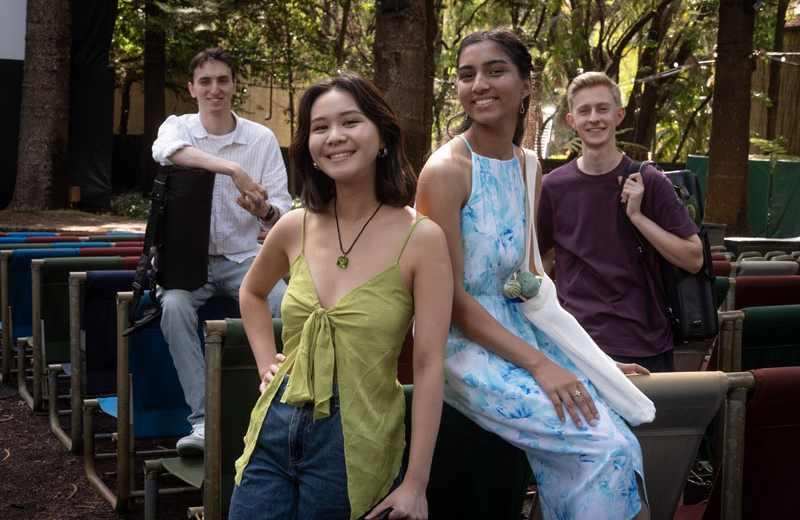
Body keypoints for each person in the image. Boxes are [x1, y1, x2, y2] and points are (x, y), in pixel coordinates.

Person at [416, 29, 650, 519]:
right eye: (466, 75)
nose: (478, 84)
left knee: (623, 445)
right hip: (462, 345)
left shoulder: (529, 166)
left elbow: (529, 284)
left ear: (526, 85)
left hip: (519, 334)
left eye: (495, 70)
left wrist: (591, 361)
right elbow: (450, 300)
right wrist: (542, 366)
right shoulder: (446, 170)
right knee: (602, 449)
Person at [228, 72, 452, 520]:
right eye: (320, 127)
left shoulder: (422, 240)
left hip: (356, 443)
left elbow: (428, 367)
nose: (335, 137)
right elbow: (251, 292)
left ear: (383, 137)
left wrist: (415, 484)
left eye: (350, 122)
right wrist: (265, 362)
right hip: (273, 432)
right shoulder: (294, 225)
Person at [151, 47, 292, 456]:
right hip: (185, 261)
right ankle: (203, 420)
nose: (215, 89)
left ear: (234, 86)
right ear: (193, 88)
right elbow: (166, 153)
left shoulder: (261, 138)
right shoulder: (178, 127)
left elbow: (280, 214)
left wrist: (262, 209)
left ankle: (277, 409)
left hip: (245, 258)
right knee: (174, 308)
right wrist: (232, 169)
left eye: (223, 80)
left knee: (291, 306)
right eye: (206, 81)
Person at [537, 71, 703, 372]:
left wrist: (638, 217)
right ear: (572, 120)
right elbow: (540, 261)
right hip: (579, 345)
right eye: (584, 111)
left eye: (602, 109)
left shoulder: (650, 180)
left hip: (645, 343)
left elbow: (693, 258)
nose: (594, 118)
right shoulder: (552, 187)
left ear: (619, 115)